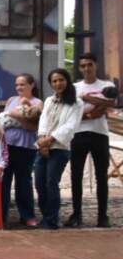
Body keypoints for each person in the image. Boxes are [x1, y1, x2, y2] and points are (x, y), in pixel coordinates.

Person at [68, 53, 116, 228]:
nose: (86, 68)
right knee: (76, 176)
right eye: (83, 66)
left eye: (90, 65)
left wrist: (87, 99)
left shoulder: (107, 85)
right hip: (78, 134)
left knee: (101, 176)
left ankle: (103, 216)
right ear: (80, 68)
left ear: (96, 65)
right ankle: (76, 215)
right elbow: (72, 113)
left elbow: (110, 103)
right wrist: (93, 111)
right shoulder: (74, 87)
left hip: (99, 134)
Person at [35, 68, 83, 230]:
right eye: (54, 81)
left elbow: (71, 126)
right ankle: (46, 215)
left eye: (61, 80)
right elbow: (43, 121)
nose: (58, 83)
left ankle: (51, 220)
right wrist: (42, 140)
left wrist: (50, 139)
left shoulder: (76, 102)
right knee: (39, 183)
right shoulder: (49, 100)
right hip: (43, 146)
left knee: (51, 182)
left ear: (67, 81)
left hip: (60, 148)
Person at [0, 73, 42, 227]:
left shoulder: (38, 103)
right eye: (17, 85)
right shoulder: (11, 101)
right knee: (4, 182)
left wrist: (16, 116)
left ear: (32, 85)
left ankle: (27, 215)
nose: (19, 87)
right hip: (7, 146)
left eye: (22, 84)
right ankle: (1, 216)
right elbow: (3, 121)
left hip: (26, 147)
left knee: (23, 182)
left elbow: (34, 127)